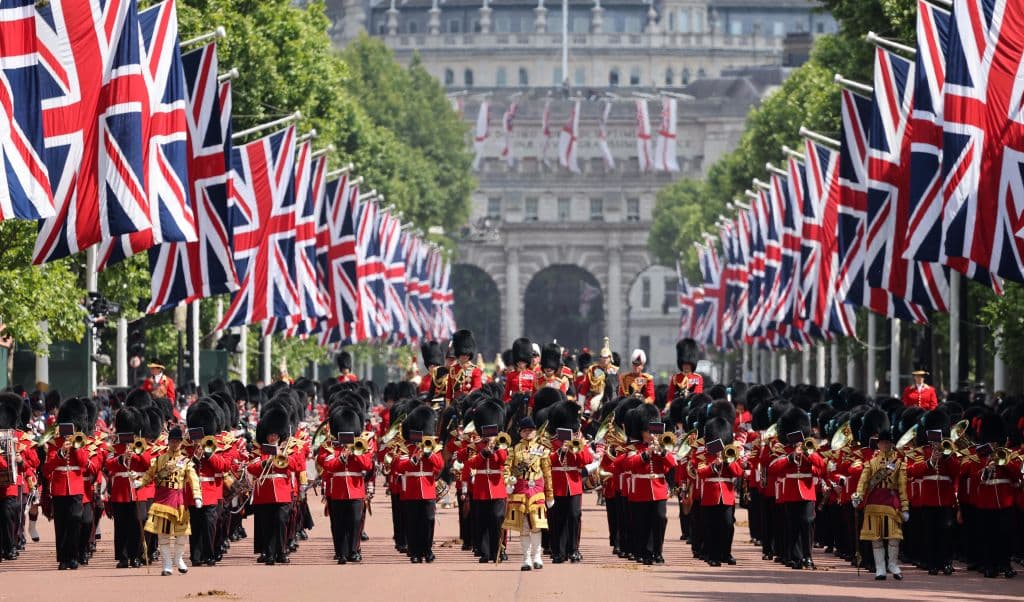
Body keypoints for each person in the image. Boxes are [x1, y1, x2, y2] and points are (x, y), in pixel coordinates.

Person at [134, 426, 201, 577]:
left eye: (178, 441)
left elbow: (193, 479)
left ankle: (178, 559)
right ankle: (167, 564)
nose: (175, 444)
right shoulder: (159, 459)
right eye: (173, 441)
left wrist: (197, 496)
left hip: (179, 501)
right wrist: (141, 483)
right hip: (163, 500)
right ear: (168, 442)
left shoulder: (185, 461)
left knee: (182, 535)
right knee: (163, 535)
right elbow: (150, 475)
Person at [852, 409, 909, 581]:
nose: (884, 446)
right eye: (881, 443)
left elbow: (902, 487)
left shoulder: (898, 463)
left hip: (892, 502)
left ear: (891, 444)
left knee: (894, 537)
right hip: (874, 502)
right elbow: (863, 482)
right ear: (878, 445)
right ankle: (880, 568)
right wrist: (858, 496)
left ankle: (892, 563)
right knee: (875, 538)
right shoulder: (870, 463)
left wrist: (905, 507)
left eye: (887, 443)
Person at [319, 407, 374, 564]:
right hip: (337, 491)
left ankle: (353, 551)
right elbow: (327, 464)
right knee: (338, 524)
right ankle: (341, 552)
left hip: (356, 490)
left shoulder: (361, 446)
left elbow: (368, 465)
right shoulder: (329, 446)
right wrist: (342, 457)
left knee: (356, 522)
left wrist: (356, 454)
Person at [392, 406, 444, 564]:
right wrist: (414, 458)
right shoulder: (405, 448)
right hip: (411, 490)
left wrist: (429, 454)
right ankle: (415, 552)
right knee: (412, 522)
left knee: (428, 521)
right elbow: (398, 466)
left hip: (428, 490)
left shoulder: (432, 447)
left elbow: (440, 464)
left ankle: (427, 550)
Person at [502, 416, 553, 571]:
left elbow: (547, 473)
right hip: (520, 490)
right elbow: (506, 469)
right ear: (520, 433)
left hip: (536, 490)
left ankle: (537, 557)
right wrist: (508, 482)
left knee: (537, 525)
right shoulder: (513, 450)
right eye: (525, 431)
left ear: (535, 432)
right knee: (523, 527)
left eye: (530, 430)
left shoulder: (543, 450)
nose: (528, 433)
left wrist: (550, 494)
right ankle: (526, 559)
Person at [104, 407, 151, 568]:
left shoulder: (142, 445)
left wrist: (136, 454)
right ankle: (123, 557)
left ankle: (136, 556)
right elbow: (108, 464)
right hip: (120, 491)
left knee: (139, 522)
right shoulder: (114, 448)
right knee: (121, 525)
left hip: (138, 490)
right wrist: (122, 458)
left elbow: (148, 464)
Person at [547, 402, 591, 564]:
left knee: (574, 516)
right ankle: (558, 551)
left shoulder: (578, 440)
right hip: (555, 485)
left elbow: (587, 460)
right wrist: (560, 451)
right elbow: (544, 461)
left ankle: (574, 549)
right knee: (556, 518)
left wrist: (575, 448)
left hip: (573, 484)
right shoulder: (549, 441)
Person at [446, 330, 483, 404]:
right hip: (455, 403)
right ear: (458, 353)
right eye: (462, 354)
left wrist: (468, 397)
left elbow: (477, 387)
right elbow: (449, 392)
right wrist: (447, 406)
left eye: (467, 354)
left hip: (469, 403)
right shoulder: (453, 369)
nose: (465, 356)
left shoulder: (474, 370)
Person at [502, 338, 536, 404]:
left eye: (523, 361)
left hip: (529, 403)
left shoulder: (532, 375)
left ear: (527, 361)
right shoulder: (511, 375)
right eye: (519, 361)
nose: (521, 363)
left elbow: (534, 393)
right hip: (514, 403)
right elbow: (506, 394)